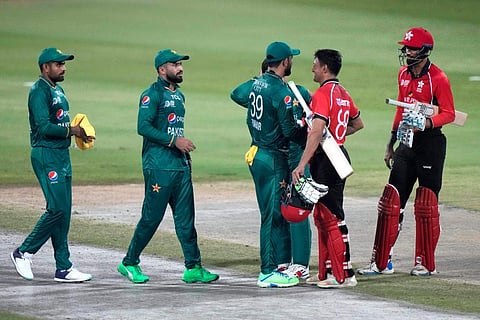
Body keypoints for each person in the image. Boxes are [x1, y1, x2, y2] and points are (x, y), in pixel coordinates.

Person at [357, 27, 455, 277]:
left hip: (430, 144)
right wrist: (391, 143)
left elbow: (450, 113)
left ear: (424, 51)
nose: (407, 52)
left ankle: (425, 263)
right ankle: (381, 262)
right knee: (391, 201)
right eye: (406, 47)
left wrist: (427, 123)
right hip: (406, 143)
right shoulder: (402, 74)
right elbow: (401, 111)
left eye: (411, 48)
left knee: (425, 203)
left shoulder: (438, 79)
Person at [117, 49, 219, 284]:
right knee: (152, 218)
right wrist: (175, 142)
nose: (180, 68)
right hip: (159, 166)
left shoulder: (180, 96)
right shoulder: (151, 95)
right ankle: (129, 262)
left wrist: (181, 152)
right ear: (162, 69)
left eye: (181, 64)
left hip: (180, 166)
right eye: (175, 64)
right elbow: (143, 127)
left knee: (186, 220)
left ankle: (193, 267)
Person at [10, 47, 94, 282]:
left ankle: (63, 268)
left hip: (61, 155)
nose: (63, 67)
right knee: (56, 208)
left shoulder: (59, 90)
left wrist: (79, 135)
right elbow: (43, 126)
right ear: (45, 67)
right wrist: (72, 130)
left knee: (63, 213)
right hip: (46, 154)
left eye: (64, 64)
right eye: (58, 64)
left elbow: (60, 122)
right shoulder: (39, 91)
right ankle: (23, 252)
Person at [230, 41, 307, 288]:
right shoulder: (281, 93)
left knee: (271, 214)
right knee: (273, 216)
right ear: (285, 62)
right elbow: (289, 130)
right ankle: (267, 271)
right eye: (291, 59)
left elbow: (238, 94)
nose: (292, 62)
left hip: (258, 154)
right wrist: (308, 133)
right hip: (273, 158)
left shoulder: (257, 84)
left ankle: (278, 265)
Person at [292, 49, 364, 288]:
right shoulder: (343, 93)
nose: (312, 68)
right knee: (324, 215)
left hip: (326, 159)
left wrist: (302, 163)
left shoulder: (323, 93)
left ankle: (342, 275)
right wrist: (336, 137)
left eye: (315, 64)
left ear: (324, 68)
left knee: (332, 216)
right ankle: (326, 271)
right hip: (338, 154)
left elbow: (315, 132)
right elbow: (357, 123)